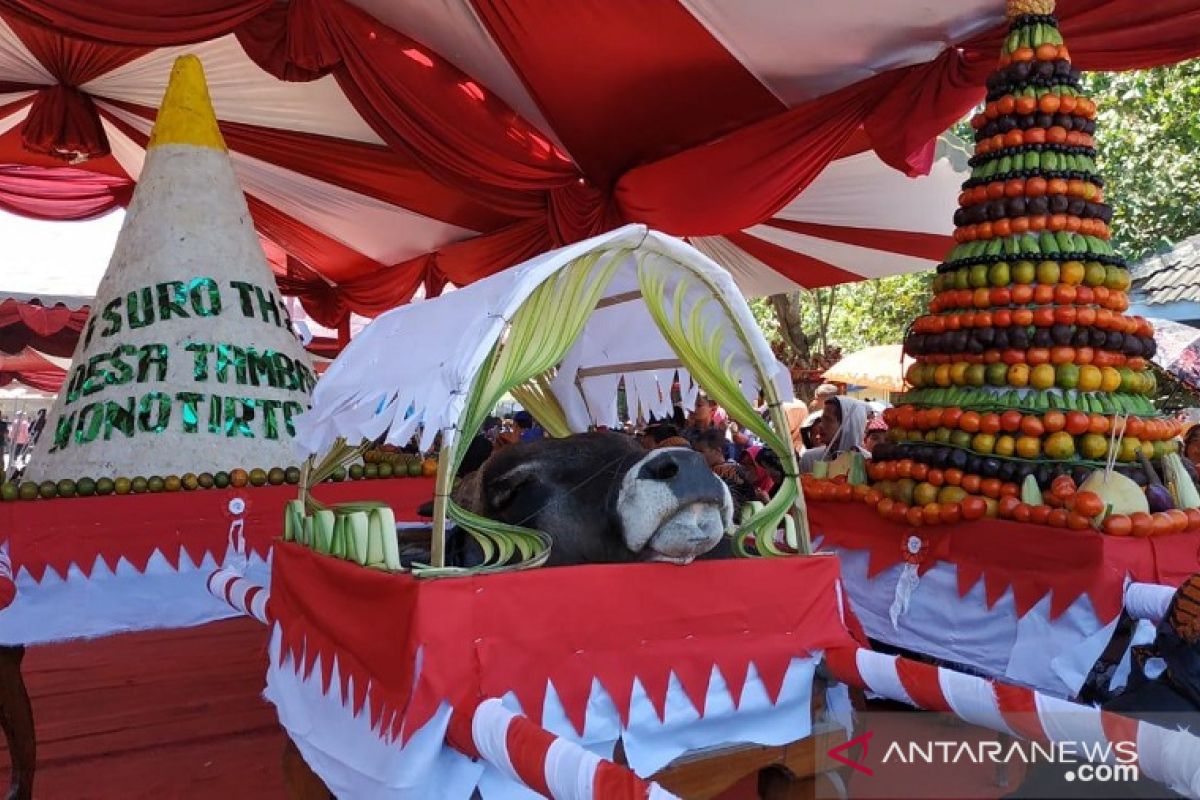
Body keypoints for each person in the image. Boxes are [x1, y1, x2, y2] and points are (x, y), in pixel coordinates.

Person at [799, 396, 870, 473]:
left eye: (828, 420)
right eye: (822, 419)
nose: (820, 425)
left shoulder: (868, 463)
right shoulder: (809, 459)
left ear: (848, 426)